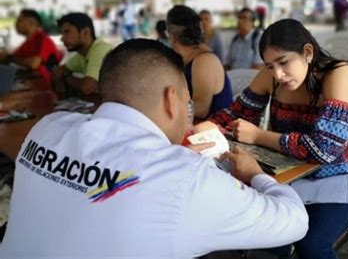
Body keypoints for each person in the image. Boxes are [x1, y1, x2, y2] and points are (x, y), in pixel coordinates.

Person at [0, 39, 309, 258]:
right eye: (188, 103)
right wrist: (256, 174)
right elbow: (295, 220)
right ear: (171, 99)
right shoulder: (184, 179)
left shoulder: (47, 127)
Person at [195, 19, 348, 259]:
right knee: (251, 230)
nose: (278, 74)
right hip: (283, 178)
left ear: (307, 52)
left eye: (283, 62)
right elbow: (235, 114)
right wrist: (206, 128)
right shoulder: (270, 76)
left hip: (333, 179)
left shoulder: (338, 73)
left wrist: (259, 136)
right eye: (270, 66)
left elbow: (326, 150)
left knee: (311, 245)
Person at [167, 5, 232, 119]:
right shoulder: (186, 57)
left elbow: (201, 109)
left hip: (215, 132)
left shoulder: (204, 60)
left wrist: (165, 109)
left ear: (172, 37)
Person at [52, 12, 113, 96]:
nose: (62, 39)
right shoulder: (81, 55)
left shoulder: (101, 49)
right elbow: (58, 71)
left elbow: (88, 88)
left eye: (67, 32)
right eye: (62, 33)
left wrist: (65, 76)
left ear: (85, 32)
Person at [0, 9, 62, 83]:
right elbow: (11, 58)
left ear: (31, 23)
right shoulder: (27, 43)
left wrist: (9, 57)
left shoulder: (42, 39)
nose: (16, 24)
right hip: (33, 81)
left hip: (46, 85)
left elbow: (34, 64)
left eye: (20, 20)